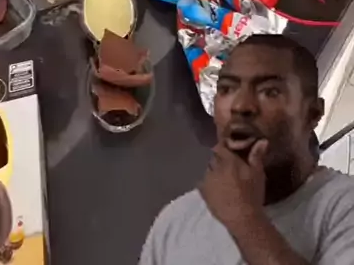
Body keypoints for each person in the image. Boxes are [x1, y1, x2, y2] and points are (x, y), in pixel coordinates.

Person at [140, 34, 354, 265]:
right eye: (227, 89)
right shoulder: (175, 221)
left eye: (270, 92)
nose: (241, 106)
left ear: (312, 114)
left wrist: (245, 219)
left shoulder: (343, 208)